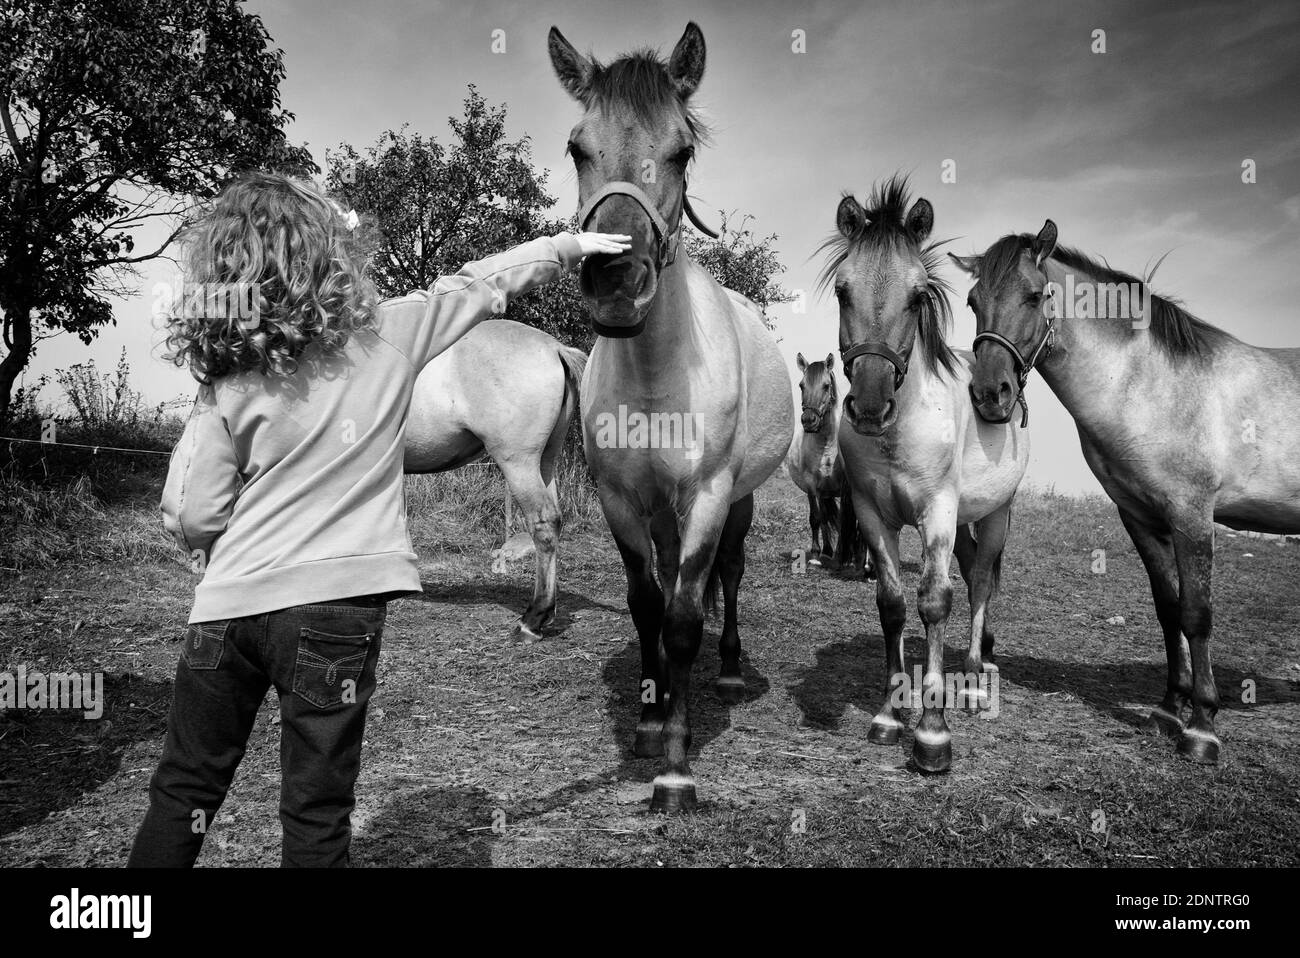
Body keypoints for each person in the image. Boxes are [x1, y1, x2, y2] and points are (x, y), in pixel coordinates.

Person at [127, 170, 629, 867]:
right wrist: (566, 244)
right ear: (329, 252)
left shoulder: (228, 368)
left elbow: (192, 507)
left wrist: (207, 548)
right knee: (316, 813)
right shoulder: (388, 331)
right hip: (333, 615)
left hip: (225, 612)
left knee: (184, 791)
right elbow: (480, 282)